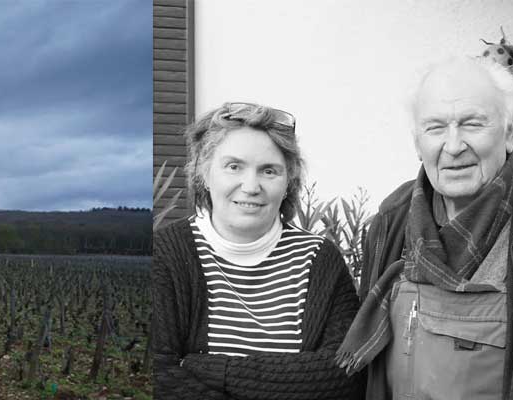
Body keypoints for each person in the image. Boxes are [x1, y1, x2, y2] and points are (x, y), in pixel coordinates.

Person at [337, 56, 513, 399]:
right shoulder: (390, 223)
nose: (453, 146)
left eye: (472, 123)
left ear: (510, 131)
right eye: (435, 127)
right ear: (417, 142)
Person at [152, 102, 361, 399]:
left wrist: (216, 370)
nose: (251, 186)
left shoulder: (320, 261)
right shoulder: (165, 255)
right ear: (204, 174)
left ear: (289, 181)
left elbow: (345, 376)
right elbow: (158, 379)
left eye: (268, 171)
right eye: (234, 166)